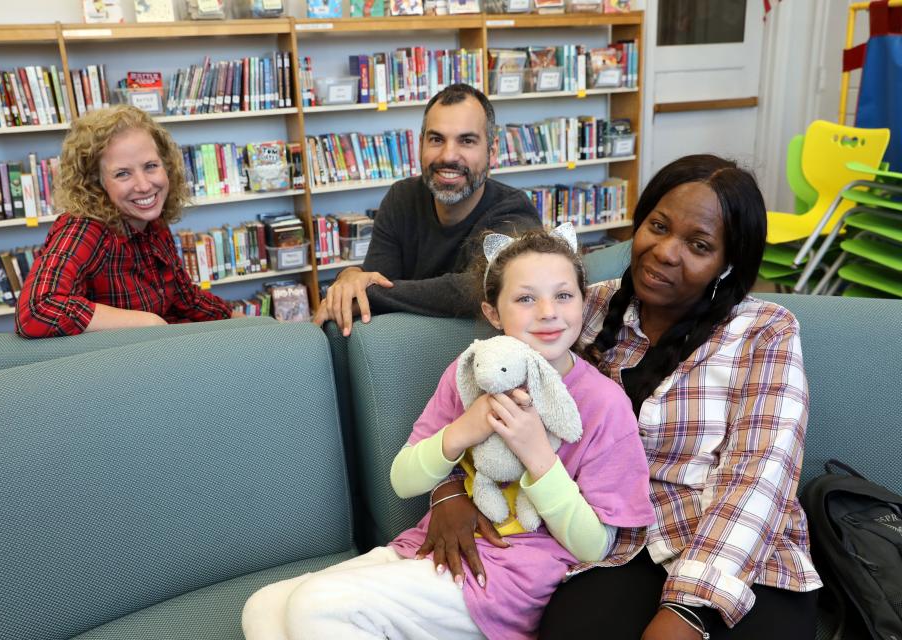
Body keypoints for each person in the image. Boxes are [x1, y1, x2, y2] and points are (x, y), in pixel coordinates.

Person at [424, 154, 822, 639]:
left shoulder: (765, 331)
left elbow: (758, 479)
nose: (666, 252)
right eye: (658, 226)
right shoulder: (582, 305)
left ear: (727, 263)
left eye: (698, 245)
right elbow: (491, 302)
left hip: (739, 556)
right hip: (622, 544)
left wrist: (687, 610)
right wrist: (448, 492)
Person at [242, 225, 654, 640]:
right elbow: (403, 481)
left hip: (513, 575)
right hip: (436, 546)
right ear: (493, 313)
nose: (548, 311)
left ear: (584, 302)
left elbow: (595, 547)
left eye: (563, 295)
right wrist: (462, 430)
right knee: (263, 607)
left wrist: (537, 455)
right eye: (525, 298)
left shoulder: (604, 403)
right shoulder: (467, 375)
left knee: (317, 607)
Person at [312, 83, 541, 336]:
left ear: (492, 151)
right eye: (436, 139)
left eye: (467, 140)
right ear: (420, 144)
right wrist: (352, 279)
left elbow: (478, 287)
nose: (448, 155)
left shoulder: (514, 211)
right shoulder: (402, 197)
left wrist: (362, 283)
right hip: (403, 346)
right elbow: (375, 286)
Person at [15, 105, 236, 338]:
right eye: (122, 173)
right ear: (96, 183)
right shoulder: (84, 228)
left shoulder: (152, 220)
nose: (143, 186)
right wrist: (149, 322)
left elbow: (186, 298)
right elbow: (36, 310)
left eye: (151, 166)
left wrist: (250, 324)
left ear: (167, 166)